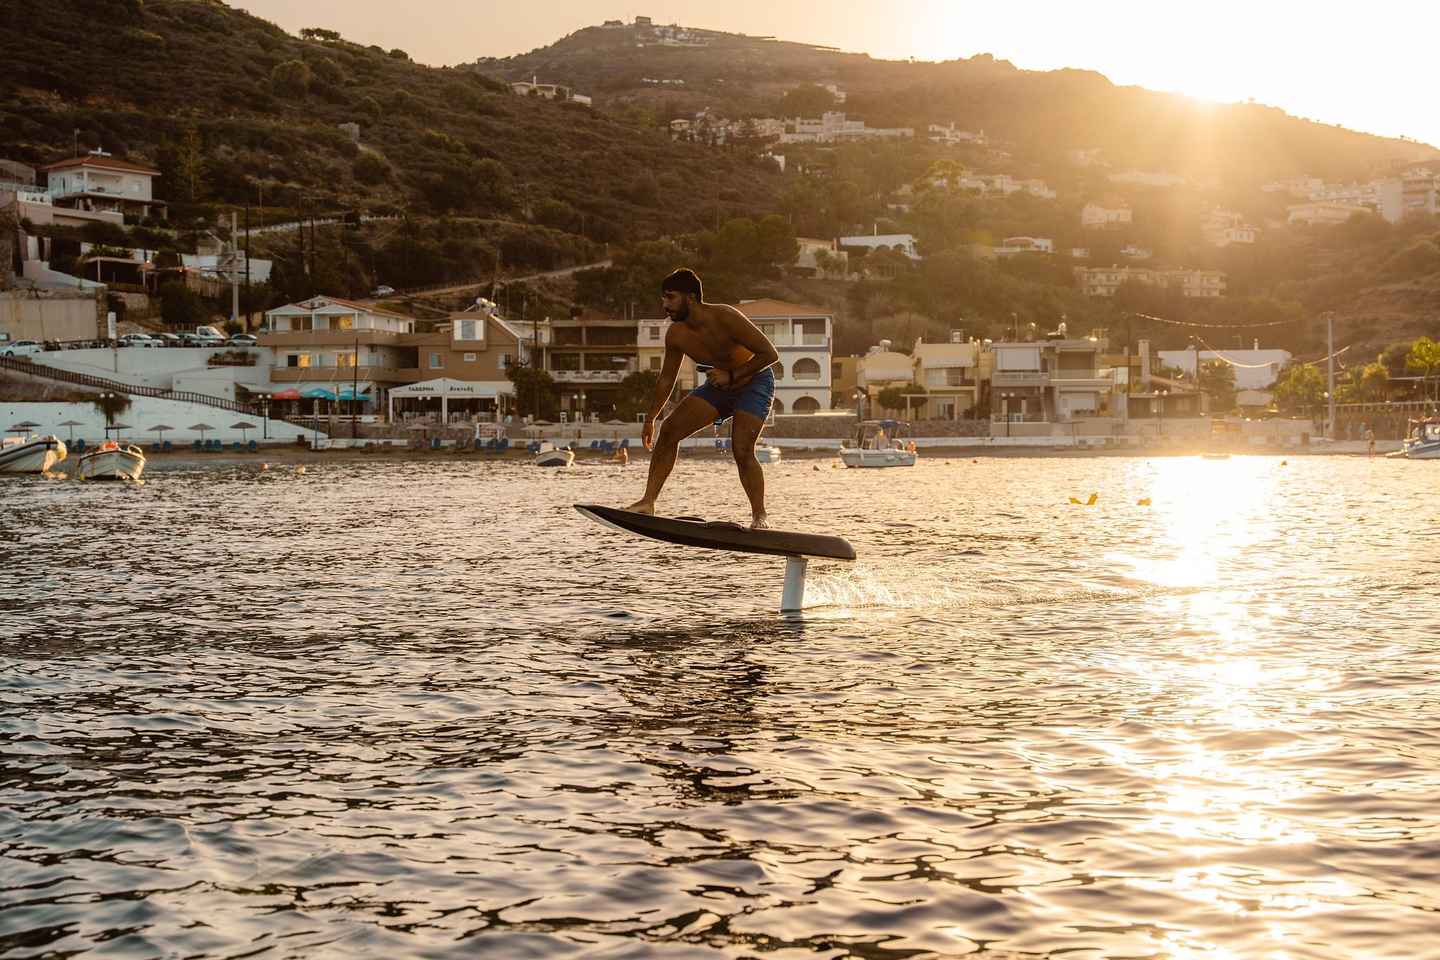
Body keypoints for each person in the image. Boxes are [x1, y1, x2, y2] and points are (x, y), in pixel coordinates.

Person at [627, 268, 780, 528]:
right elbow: (666, 378)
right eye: (663, 299)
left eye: (670, 298)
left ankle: (760, 516)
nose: (665, 305)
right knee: (669, 431)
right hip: (718, 386)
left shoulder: (726, 317)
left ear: (691, 297)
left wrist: (732, 376)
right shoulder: (675, 334)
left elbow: (769, 354)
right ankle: (647, 501)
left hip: (754, 382)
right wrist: (651, 417)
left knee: (742, 450)